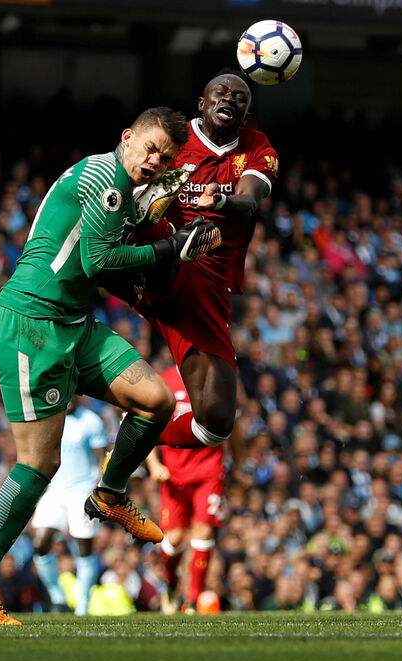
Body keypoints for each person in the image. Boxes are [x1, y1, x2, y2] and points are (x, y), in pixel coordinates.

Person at [0, 106, 220, 627]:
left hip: (73, 322)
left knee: (155, 401)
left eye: (164, 156)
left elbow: (110, 244)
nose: (155, 160)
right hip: (31, 323)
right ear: (127, 137)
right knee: (37, 466)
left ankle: (111, 493)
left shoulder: (122, 186)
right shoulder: (104, 178)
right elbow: (98, 261)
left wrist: (160, 223)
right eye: (150, 148)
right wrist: (172, 248)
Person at [135, 70, 278, 452]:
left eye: (240, 97)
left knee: (217, 423)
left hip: (209, 289)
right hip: (161, 263)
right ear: (202, 104)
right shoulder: (175, 142)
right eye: (220, 92)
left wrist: (220, 201)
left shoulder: (256, 147)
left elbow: (249, 201)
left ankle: (137, 441)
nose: (229, 99)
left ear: (246, 113)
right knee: (171, 239)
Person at [145, 366, 241, 613]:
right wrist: (155, 465)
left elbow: (235, 425)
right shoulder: (163, 381)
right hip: (174, 476)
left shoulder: (219, 379)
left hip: (209, 471)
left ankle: (191, 600)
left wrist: (239, 465)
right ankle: (171, 581)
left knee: (203, 531)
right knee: (174, 538)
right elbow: (145, 426)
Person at [31, 398, 107, 616]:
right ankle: (58, 596)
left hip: (82, 492)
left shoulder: (91, 421)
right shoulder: (52, 418)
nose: (70, 399)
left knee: (84, 548)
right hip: (56, 490)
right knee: (40, 543)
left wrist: (98, 491)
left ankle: (82, 603)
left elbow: (102, 460)